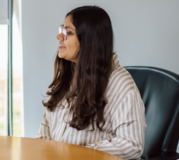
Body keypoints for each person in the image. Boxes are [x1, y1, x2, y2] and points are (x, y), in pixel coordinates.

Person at [36, 6, 146, 160]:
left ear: (89, 39)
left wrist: (75, 154)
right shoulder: (69, 75)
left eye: (68, 32)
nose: (59, 36)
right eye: (61, 29)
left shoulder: (121, 85)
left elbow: (132, 145)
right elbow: (46, 128)